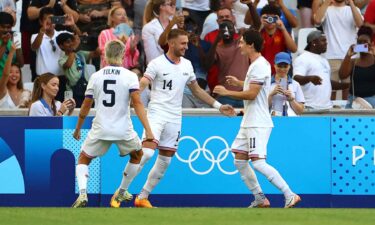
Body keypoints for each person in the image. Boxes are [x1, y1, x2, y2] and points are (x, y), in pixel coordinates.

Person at [133, 29, 235, 208]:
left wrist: (219, 106)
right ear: (171, 43)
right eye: (183, 43)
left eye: (187, 43)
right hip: (156, 114)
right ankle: (121, 191)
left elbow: (196, 90)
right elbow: (143, 83)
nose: (186, 47)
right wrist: (132, 97)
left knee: (165, 160)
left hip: (175, 117)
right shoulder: (156, 63)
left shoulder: (187, 65)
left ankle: (143, 196)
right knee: (147, 153)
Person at [213, 29, 301, 208]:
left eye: (242, 42)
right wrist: (239, 84)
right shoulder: (255, 64)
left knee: (259, 163)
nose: (240, 45)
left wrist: (226, 92)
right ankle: (260, 198)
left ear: (251, 44)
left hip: (258, 122)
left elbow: (253, 94)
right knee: (239, 160)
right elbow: (255, 88)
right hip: (249, 121)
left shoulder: (260, 64)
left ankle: (289, 194)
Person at [71, 40, 154, 208]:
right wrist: (148, 130)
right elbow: (137, 103)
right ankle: (122, 191)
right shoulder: (130, 76)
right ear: (123, 55)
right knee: (137, 156)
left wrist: (78, 127)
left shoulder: (96, 76)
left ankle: (83, 194)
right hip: (123, 128)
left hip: (100, 127)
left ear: (105, 55)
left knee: (84, 159)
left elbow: (86, 105)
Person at [314, 0, 363, 100]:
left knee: (348, 93)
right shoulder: (326, 9)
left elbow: (361, 26)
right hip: (331, 56)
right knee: (331, 92)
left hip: (351, 57)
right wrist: (327, 2)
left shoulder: (353, 9)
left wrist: (352, 3)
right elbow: (317, 20)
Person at [31, 7, 81, 101]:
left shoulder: (62, 34)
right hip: (43, 80)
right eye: (47, 19)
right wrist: (42, 31)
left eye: (52, 19)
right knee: (43, 109)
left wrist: (73, 25)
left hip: (61, 80)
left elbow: (79, 37)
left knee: (62, 108)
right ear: (41, 22)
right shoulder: (36, 36)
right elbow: (34, 47)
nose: (50, 22)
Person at [293, 30, 349, 110]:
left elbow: (327, 83)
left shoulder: (324, 60)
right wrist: (310, 78)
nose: (326, 43)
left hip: (327, 108)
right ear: (313, 43)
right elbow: (296, 78)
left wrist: (346, 86)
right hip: (310, 107)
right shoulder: (303, 58)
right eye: (323, 40)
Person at [57, 32, 99, 107]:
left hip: (86, 89)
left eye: (72, 41)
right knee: (74, 113)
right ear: (61, 46)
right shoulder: (62, 59)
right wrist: (74, 49)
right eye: (67, 42)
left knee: (89, 111)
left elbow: (96, 53)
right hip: (73, 92)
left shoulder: (80, 54)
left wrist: (97, 40)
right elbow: (68, 64)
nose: (71, 44)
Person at [339, 26, 375, 108]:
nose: (362, 44)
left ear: (371, 44)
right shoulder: (353, 62)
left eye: (365, 42)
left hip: (372, 100)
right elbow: (342, 75)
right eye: (359, 42)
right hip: (354, 100)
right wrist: (348, 56)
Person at [0, 43, 30, 109]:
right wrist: (11, 53)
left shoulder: (26, 93)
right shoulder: (2, 90)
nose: (14, 75)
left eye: (17, 72)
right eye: (10, 72)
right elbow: (5, 75)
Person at [0, 11, 24, 79]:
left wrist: (18, 48)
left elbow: (21, 64)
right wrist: (4, 44)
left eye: (8, 27)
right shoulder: (6, 42)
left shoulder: (12, 41)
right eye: (2, 27)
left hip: (10, 81)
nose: (5, 30)